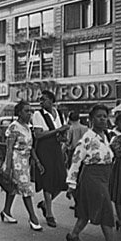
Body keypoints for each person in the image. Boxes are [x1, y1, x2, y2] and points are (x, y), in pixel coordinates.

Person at [66, 104, 121, 241]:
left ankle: (73, 235)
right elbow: (76, 160)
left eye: (105, 116)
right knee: (106, 210)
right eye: (99, 116)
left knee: (85, 212)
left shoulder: (105, 136)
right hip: (92, 178)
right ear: (91, 120)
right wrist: (71, 183)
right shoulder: (87, 138)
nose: (103, 119)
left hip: (105, 177)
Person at [0, 100, 44, 231]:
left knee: (12, 188)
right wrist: (8, 166)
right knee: (26, 189)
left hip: (26, 161)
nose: (29, 113)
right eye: (26, 111)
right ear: (19, 112)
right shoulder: (14, 127)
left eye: (31, 111)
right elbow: (9, 148)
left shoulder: (28, 127)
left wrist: (37, 161)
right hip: (15, 160)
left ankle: (6, 211)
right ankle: (33, 218)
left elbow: (30, 147)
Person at [32, 90, 70, 227]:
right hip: (44, 149)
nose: (40, 101)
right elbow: (38, 135)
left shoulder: (59, 114)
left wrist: (63, 137)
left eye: (43, 99)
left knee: (62, 180)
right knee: (47, 180)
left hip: (56, 148)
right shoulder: (38, 114)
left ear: (51, 100)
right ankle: (49, 213)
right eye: (40, 99)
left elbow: (62, 134)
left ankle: (44, 204)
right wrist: (57, 131)